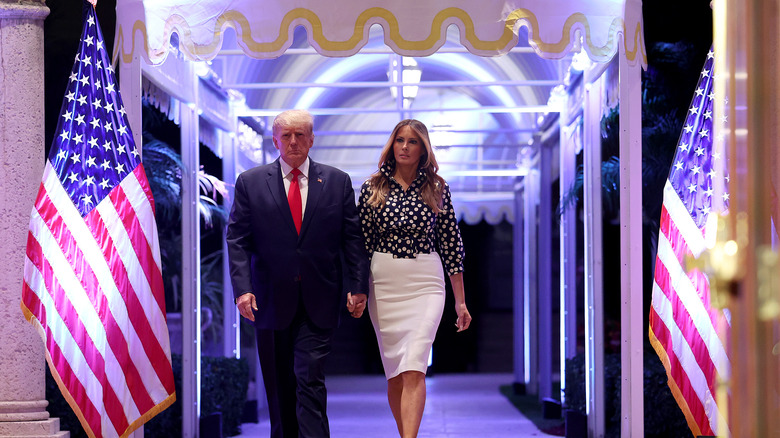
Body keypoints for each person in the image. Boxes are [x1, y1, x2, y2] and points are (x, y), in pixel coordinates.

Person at [226, 109, 369, 438]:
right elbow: (237, 239)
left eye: (300, 134)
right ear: (275, 140)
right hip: (270, 301)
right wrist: (242, 288)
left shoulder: (336, 181)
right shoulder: (250, 183)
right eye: (286, 135)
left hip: (319, 300)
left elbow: (352, 239)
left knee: (310, 381)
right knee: (280, 389)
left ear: (312, 139)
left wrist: (357, 286)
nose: (293, 141)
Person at [355, 119, 472, 438]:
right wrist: (357, 290)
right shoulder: (372, 186)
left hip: (426, 280)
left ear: (424, 148)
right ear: (392, 145)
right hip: (384, 281)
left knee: (415, 364)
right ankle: (405, 433)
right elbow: (361, 242)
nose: (405, 146)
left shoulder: (437, 187)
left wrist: (460, 301)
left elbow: (451, 241)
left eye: (413, 141)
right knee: (395, 372)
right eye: (399, 140)